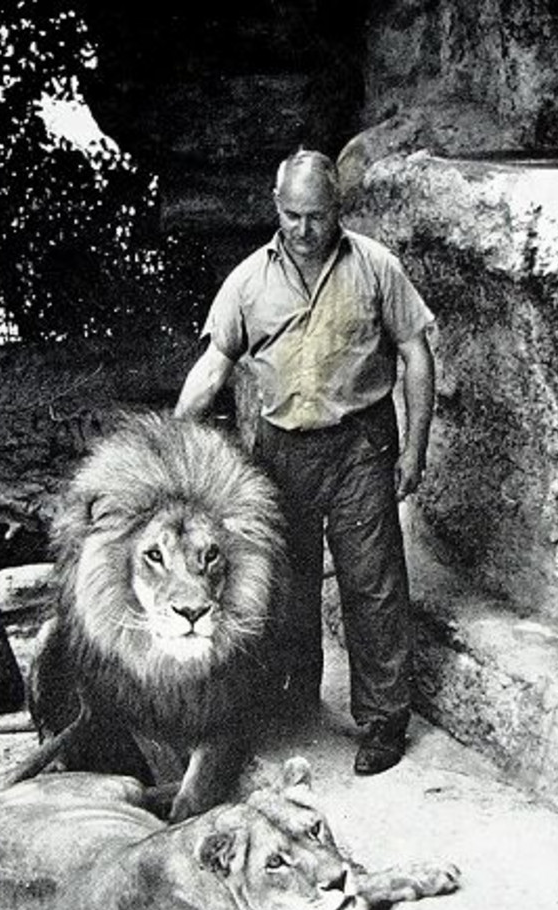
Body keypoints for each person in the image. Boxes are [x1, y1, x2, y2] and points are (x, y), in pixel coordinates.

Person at [174, 149, 437, 775]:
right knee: (283, 588)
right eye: (292, 215)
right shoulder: (247, 282)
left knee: (372, 586)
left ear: (337, 210)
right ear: (276, 206)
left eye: (316, 216)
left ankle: (382, 722)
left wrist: (416, 448)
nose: (303, 229)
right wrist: (171, 445)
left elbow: (416, 354)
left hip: (359, 444)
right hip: (280, 449)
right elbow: (214, 365)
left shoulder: (376, 267)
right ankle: (293, 704)